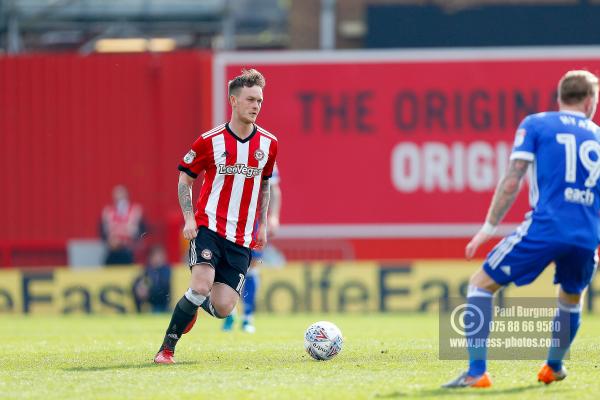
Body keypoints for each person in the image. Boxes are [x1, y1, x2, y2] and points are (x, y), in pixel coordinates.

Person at [443, 70, 600, 388]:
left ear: (560, 97)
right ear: (588, 101)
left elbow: (513, 178)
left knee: (481, 285)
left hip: (546, 227)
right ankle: (553, 367)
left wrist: (489, 227)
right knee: (571, 299)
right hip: (586, 235)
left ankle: (476, 372)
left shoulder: (537, 123)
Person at [154, 68, 278, 364]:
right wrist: (188, 218)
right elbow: (185, 179)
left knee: (223, 307)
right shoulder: (210, 141)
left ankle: (194, 306)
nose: (256, 106)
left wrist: (261, 225)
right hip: (209, 227)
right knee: (200, 285)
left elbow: (264, 186)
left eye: (259, 100)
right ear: (233, 101)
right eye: (250, 99)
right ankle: (166, 349)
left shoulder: (269, 144)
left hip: (242, 237)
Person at [222, 164, 281, 333]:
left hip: (252, 220)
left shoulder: (264, 149)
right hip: (225, 217)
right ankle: (229, 313)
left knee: (252, 267)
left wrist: (274, 216)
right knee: (225, 264)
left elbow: (274, 188)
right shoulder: (225, 144)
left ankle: (248, 317)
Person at [100, 185, 144, 265]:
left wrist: (134, 239)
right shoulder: (107, 212)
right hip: (112, 250)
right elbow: (102, 232)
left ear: (127, 195)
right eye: (117, 195)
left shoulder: (136, 210)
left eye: (121, 194)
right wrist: (109, 241)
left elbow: (143, 230)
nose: (119, 197)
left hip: (129, 250)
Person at [132, 245, 172, 313]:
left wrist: (149, 291)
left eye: (159, 256)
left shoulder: (166, 270)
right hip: (150, 301)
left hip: (161, 303)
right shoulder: (148, 269)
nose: (157, 258)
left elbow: (163, 287)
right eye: (155, 256)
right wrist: (140, 288)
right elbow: (140, 281)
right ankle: (139, 312)